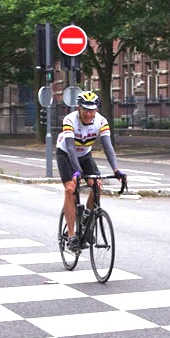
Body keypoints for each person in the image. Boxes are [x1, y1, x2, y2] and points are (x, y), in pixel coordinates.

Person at [56, 90, 124, 252]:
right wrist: (77, 171)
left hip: (85, 155)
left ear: (96, 110)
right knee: (70, 189)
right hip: (66, 155)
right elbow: (71, 148)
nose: (88, 114)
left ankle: (86, 219)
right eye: (85, 110)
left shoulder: (101, 121)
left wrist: (116, 170)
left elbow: (108, 146)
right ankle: (72, 236)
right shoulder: (69, 120)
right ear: (78, 109)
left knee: (97, 186)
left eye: (91, 110)